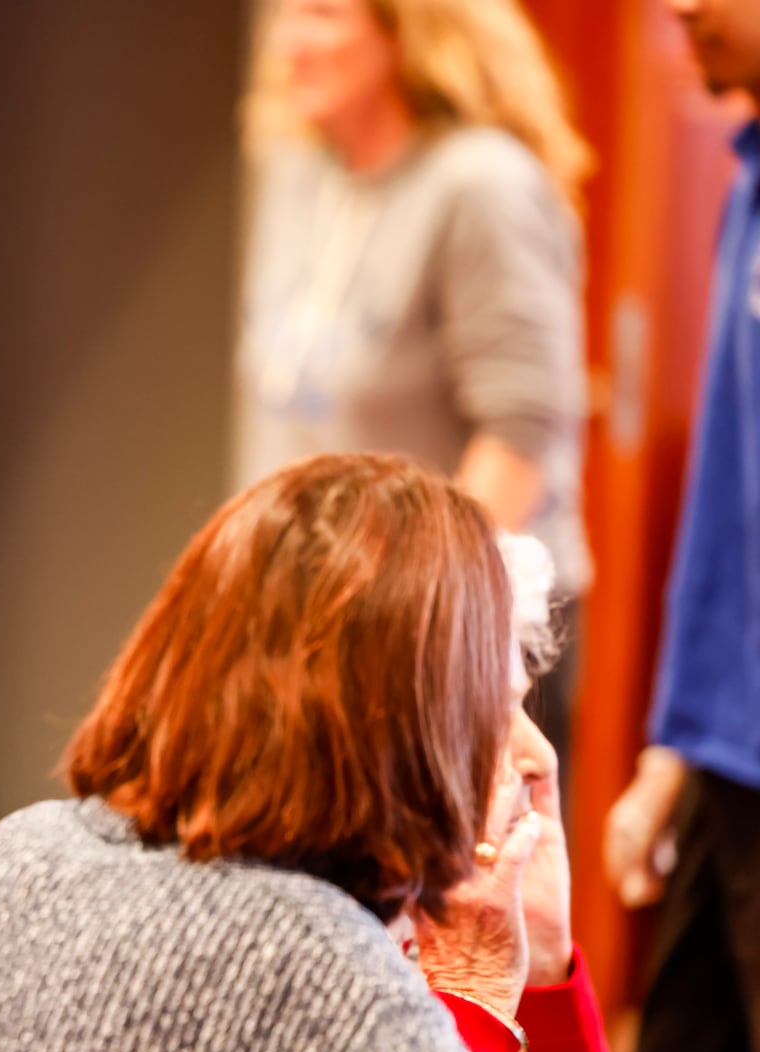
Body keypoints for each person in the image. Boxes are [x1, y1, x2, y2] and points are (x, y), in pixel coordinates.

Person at [0, 453, 608, 1052]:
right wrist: (477, 993)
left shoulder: (17, 850)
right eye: (495, 709)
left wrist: (542, 959)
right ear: (409, 724)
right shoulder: (313, 963)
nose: (527, 752)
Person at [237, 0, 593, 781]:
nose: (291, 42)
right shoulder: (298, 167)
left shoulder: (482, 185)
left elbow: (521, 435)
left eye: (324, 14)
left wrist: (401, 628)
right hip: (311, 621)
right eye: (286, 15)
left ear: (409, 29)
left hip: (445, 634)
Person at [602, 2, 760, 1052]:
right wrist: (670, 744)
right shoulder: (744, 178)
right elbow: (723, 509)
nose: (680, 8)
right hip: (726, 754)